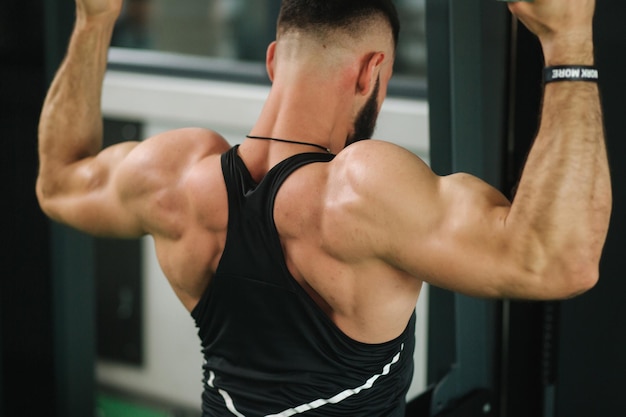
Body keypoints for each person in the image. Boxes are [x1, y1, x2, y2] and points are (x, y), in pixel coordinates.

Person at [36, 0, 611, 415]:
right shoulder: (358, 189)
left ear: (271, 61)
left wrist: (95, 20)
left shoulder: (176, 177)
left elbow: (58, 183)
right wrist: (570, 44)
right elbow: (560, 262)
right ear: (371, 72)